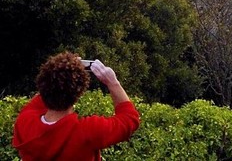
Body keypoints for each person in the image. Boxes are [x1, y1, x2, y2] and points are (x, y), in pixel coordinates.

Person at [12, 51, 140, 160]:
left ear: (42, 82)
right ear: (79, 93)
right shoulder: (88, 131)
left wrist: (58, 71)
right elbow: (130, 120)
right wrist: (112, 82)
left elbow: (46, 92)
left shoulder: (25, 123)